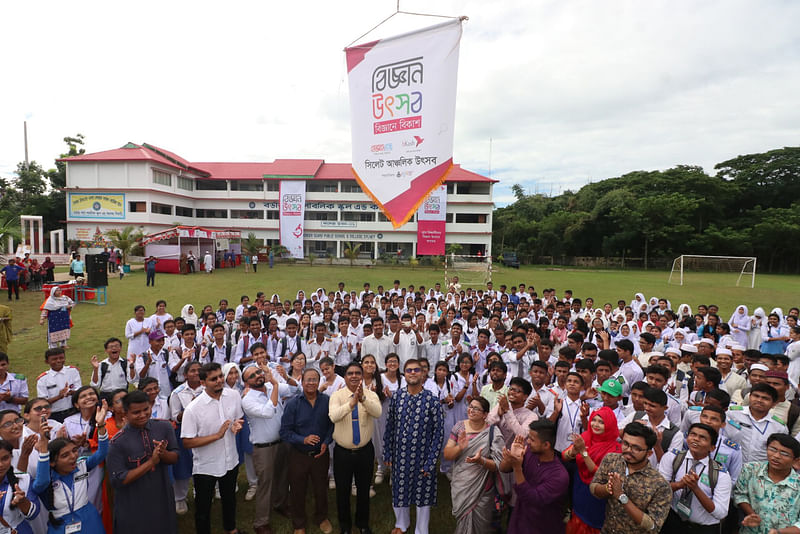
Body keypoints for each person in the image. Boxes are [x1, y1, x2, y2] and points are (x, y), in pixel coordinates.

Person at [180, 363, 245, 534]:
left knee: (230, 499)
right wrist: (216, 436)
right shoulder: (193, 409)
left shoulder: (233, 395)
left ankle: (231, 529)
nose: (219, 381)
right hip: (206, 466)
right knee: (203, 507)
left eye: (220, 376)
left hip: (231, 459)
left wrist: (235, 426)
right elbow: (187, 441)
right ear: (203, 383)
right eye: (213, 379)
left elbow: (237, 418)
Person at [383, 359, 444, 534]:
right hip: (400, 455)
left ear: (423, 373)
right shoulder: (397, 397)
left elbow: (438, 434)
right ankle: (401, 524)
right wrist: (388, 452)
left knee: (423, 493)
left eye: (417, 370)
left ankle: (421, 529)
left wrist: (431, 461)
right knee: (400, 489)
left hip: (424, 456)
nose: (413, 373)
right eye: (409, 370)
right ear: (404, 373)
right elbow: (390, 426)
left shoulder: (432, 401)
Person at [106, 390, 178, 534]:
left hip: (161, 494)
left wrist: (163, 454)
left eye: (146, 409)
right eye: (136, 412)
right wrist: (151, 462)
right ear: (124, 414)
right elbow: (118, 480)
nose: (143, 415)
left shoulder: (164, 427)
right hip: (134, 501)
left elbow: (175, 457)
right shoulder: (117, 442)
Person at [32, 399, 109, 534]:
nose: (73, 456)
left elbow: (102, 453)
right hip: (60, 525)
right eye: (65, 455)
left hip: (90, 520)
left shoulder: (82, 465)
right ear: (52, 462)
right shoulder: (46, 480)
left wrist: (101, 425)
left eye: (74, 451)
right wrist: (43, 447)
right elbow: (41, 481)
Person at [589, 422, 672, 533]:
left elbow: (653, 526)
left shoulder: (660, 485)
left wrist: (621, 496)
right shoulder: (611, 460)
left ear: (649, 453)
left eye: (636, 448)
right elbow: (593, 487)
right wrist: (607, 488)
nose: (628, 450)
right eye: (626, 444)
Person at [329, 362, 382, 534]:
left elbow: (378, 412)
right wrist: (351, 404)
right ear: (345, 377)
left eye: (357, 373)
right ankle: (345, 525)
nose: (353, 376)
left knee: (364, 488)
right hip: (343, 452)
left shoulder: (371, 394)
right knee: (342, 491)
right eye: (350, 373)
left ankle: (363, 524)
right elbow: (334, 417)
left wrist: (363, 399)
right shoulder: (337, 396)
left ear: (362, 376)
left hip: (365, 451)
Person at [280, 368, 334, 534]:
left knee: (320, 489)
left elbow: (331, 425)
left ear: (319, 382)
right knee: (297, 490)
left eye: (314, 380)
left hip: (320, 454)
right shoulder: (292, 404)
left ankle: (321, 517)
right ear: (302, 382)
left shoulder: (326, 401)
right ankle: (299, 524)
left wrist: (326, 442)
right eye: (308, 380)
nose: (311, 383)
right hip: (299, 454)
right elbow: (284, 432)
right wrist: (302, 439)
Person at [242, 358, 291, 534]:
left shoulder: (270, 386)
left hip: (281, 441)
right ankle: (261, 522)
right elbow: (268, 412)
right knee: (265, 484)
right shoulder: (247, 399)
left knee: (283, 477)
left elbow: (295, 389)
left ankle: (280, 504)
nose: (257, 376)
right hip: (264, 448)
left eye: (258, 372)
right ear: (246, 382)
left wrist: (284, 378)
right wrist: (276, 386)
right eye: (251, 376)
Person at [443, 396, 504, 534]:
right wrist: (460, 447)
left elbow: (498, 465)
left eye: (476, 408)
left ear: (485, 414)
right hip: (462, 484)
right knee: (463, 519)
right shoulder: (459, 427)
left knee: (483, 524)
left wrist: (480, 461)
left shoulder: (493, 432)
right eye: (470, 406)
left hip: (483, 487)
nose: (471, 410)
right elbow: (447, 454)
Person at [501, 419, 570, 534]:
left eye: (532, 440)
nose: (527, 441)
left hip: (543, 526)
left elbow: (532, 499)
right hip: (519, 520)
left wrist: (518, 468)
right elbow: (504, 469)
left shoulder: (559, 476)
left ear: (546, 445)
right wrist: (512, 457)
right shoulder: (529, 453)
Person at [562, 407, 621, 534]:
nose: (596, 424)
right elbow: (564, 456)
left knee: (592, 523)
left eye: (601, 422)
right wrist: (573, 451)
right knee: (577, 517)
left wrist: (583, 452)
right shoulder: (586, 436)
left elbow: (601, 474)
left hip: (597, 493)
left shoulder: (615, 449)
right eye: (594, 420)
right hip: (580, 487)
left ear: (610, 425)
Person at [734, 433, 800, 534]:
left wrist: (779, 532)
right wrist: (751, 514)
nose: (776, 456)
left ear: (796, 460)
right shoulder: (750, 469)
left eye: (785, 454)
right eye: (773, 449)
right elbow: (740, 495)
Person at [0, 438, 40, 534]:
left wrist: (23, 502)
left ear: (11, 457)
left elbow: (33, 514)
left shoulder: (23, 480)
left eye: (5, 458)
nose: (0, 464)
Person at [35, 349, 81, 423]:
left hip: (73, 411)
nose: (59, 361)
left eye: (61, 358)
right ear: (47, 361)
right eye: (54, 359)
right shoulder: (43, 379)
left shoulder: (73, 371)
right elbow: (43, 402)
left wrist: (70, 392)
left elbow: (80, 391)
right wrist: (59, 396)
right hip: (55, 415)